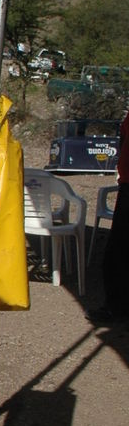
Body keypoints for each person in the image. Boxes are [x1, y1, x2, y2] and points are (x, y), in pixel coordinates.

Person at [89, 105, 129, 325]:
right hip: (127, 184)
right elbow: (122, 140)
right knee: (117, 251)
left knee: (119, 250)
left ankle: (117, 305)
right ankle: (116, 304)